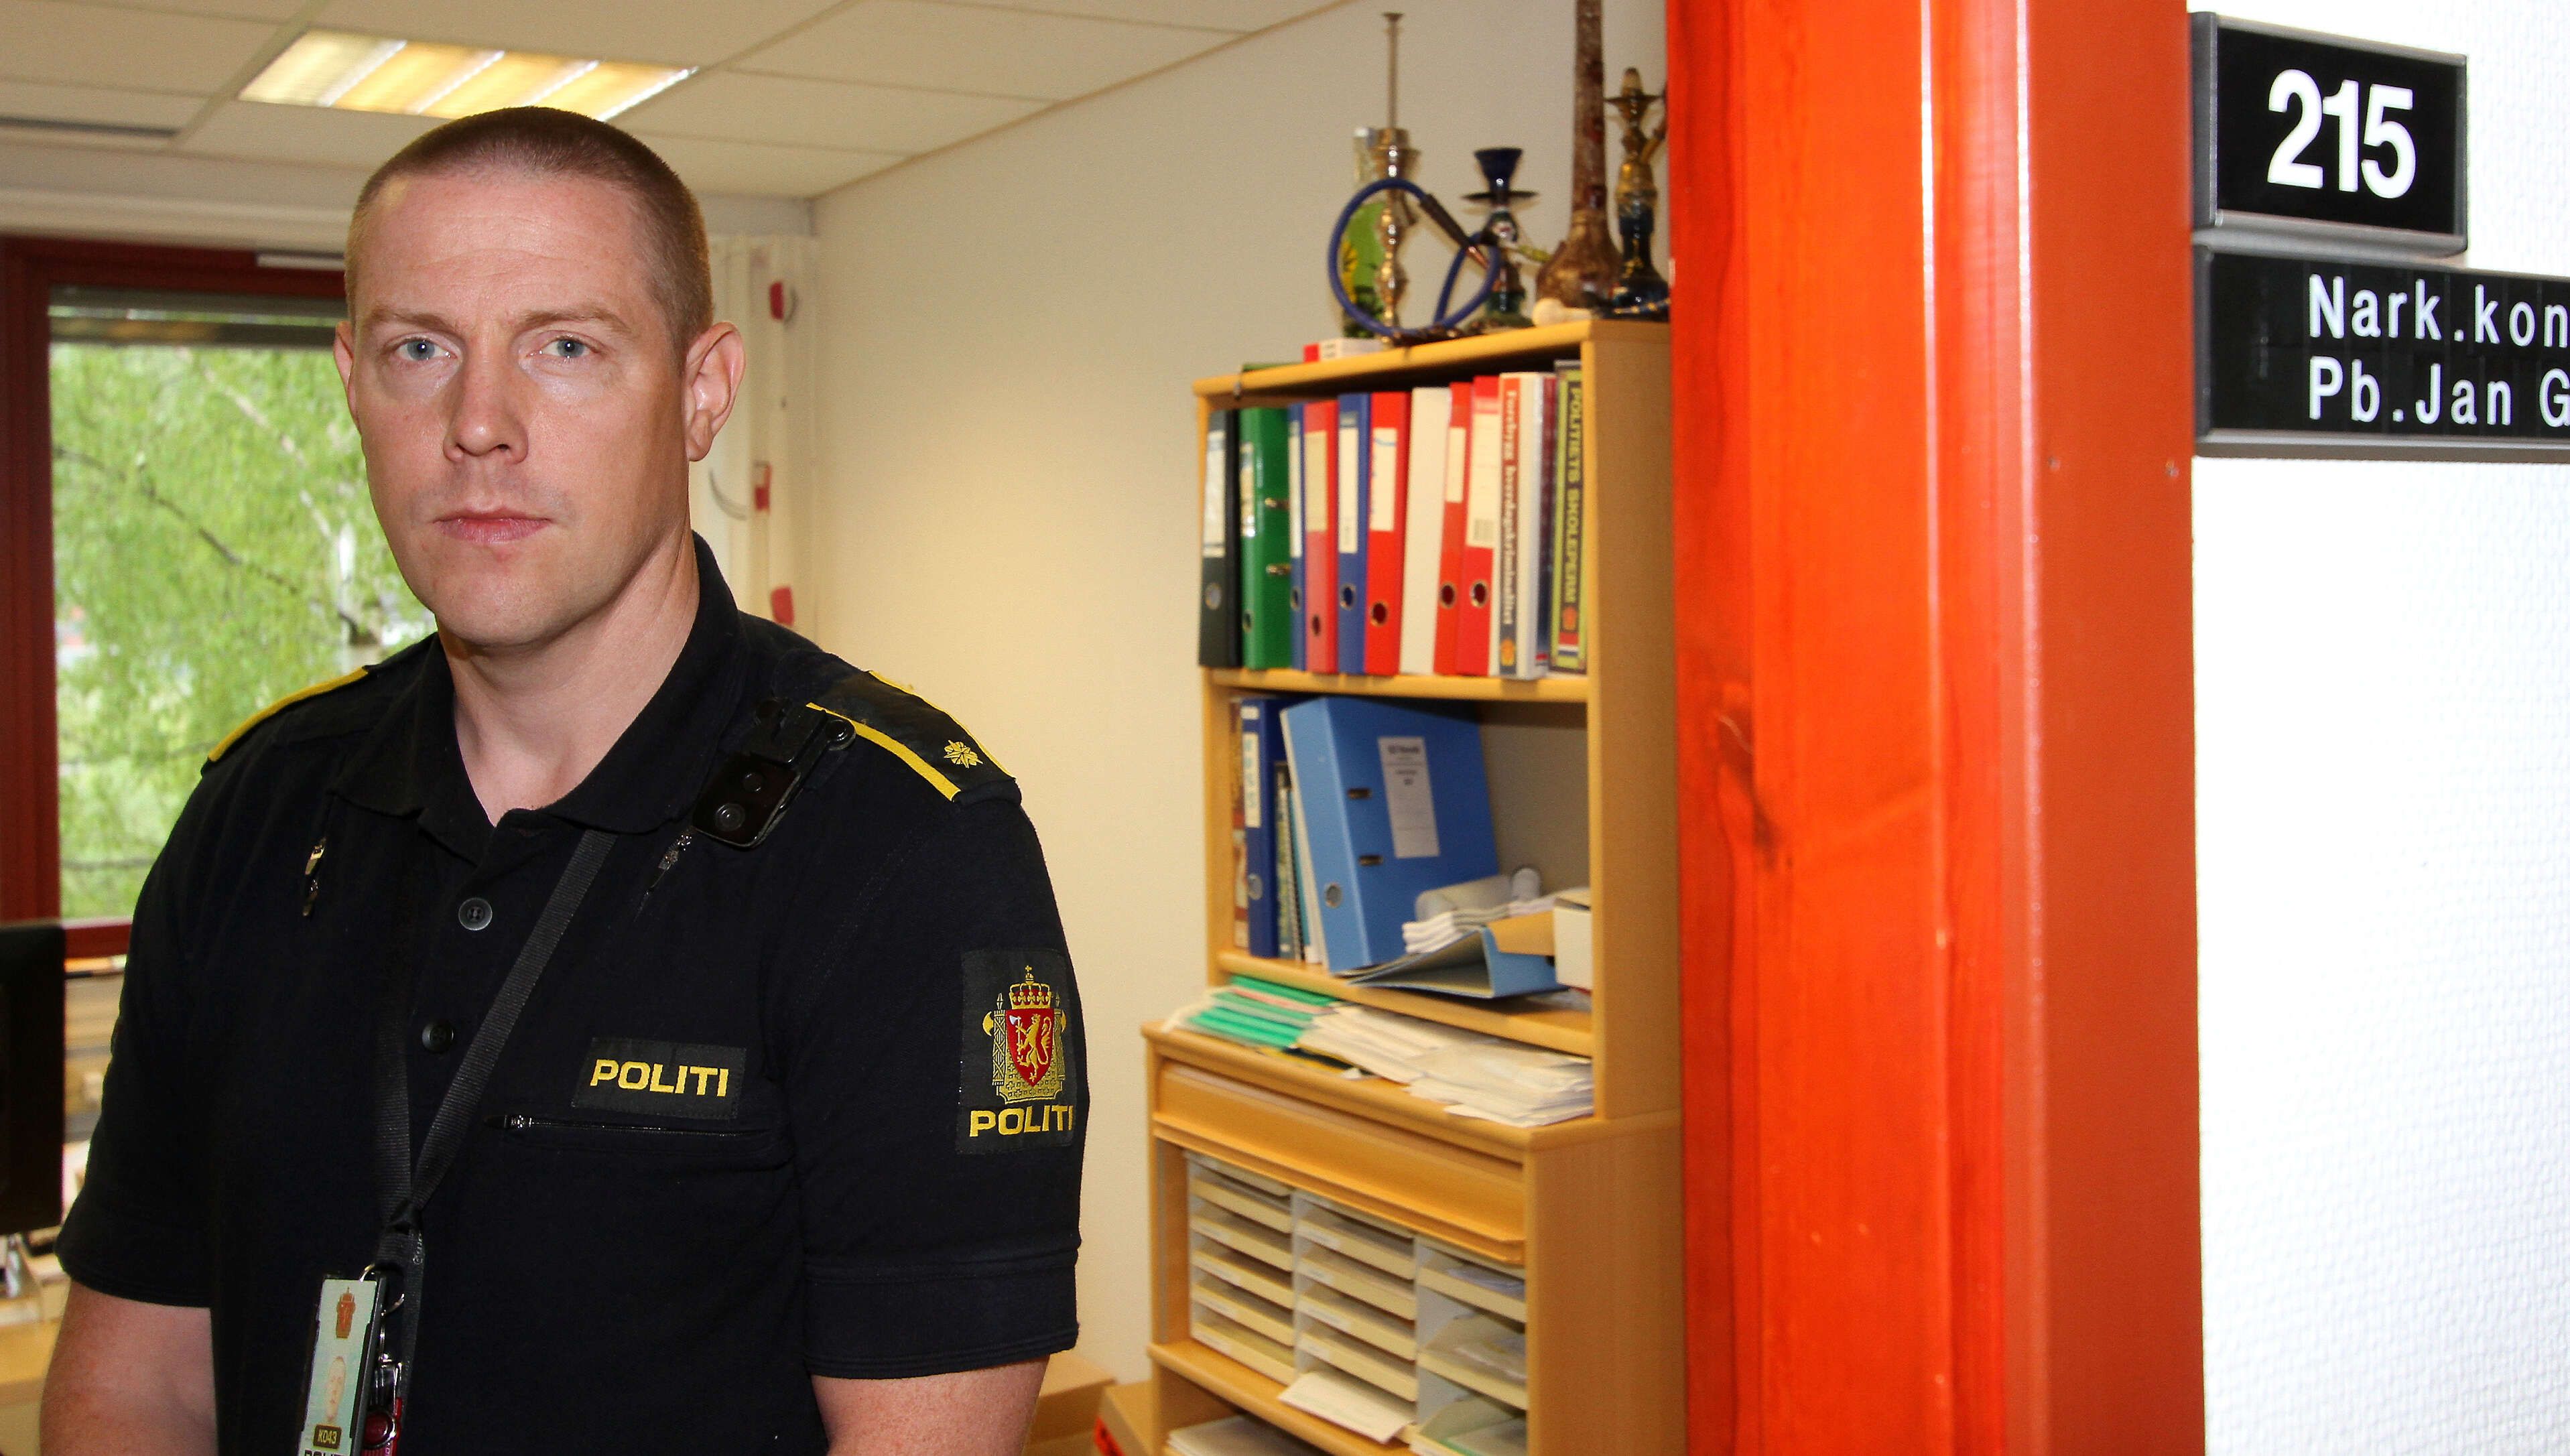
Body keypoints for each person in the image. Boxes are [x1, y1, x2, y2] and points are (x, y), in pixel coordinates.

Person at [40, 108, 1085, 1456]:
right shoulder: (256, 814)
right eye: (421, 350)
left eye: (567, 348)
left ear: (703, 390)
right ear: (352, 380)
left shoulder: (901, 846)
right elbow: (137, 1384)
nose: (479, 424)